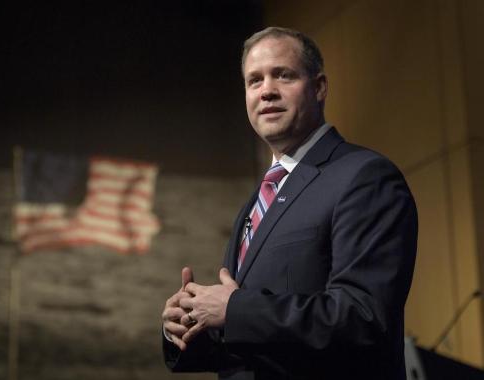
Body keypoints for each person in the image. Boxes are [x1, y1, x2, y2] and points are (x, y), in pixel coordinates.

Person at [161, 26, 417, 380]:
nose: (267, 91)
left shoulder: (365, 177)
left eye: (283, 75)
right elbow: (251, 339)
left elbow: (363, 318)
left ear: (319, 87)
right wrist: (190, 324)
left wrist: (235, 310)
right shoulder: (259, 199)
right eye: (254, 81)